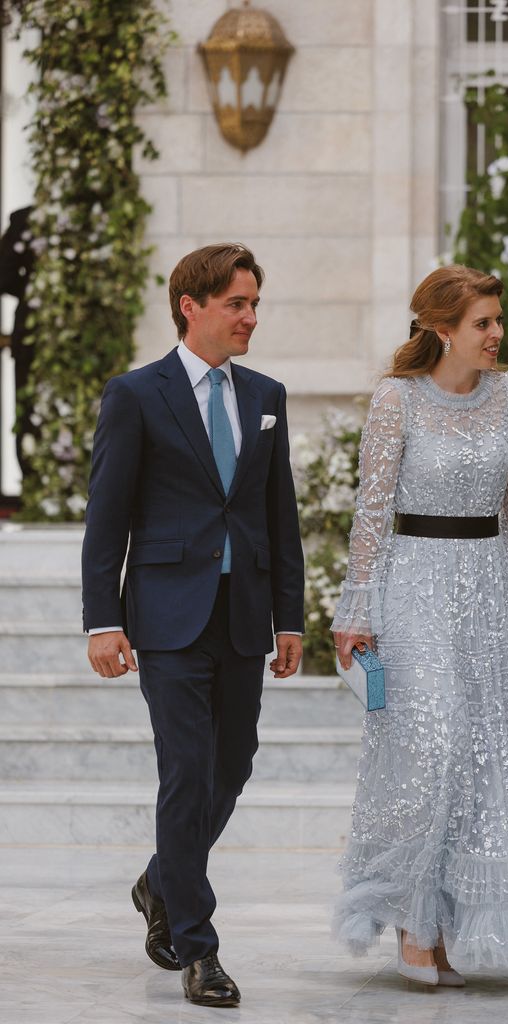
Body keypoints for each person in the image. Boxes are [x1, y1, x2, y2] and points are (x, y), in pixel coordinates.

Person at [332, 264, 508, 985]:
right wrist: (356, 610)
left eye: (499, 320)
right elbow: (371, 512)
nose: (497, 334)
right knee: (430, 748)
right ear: (441, 330)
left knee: (480, 758)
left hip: (489, 589)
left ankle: (448, 928)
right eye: (483, 323)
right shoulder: (395, 400)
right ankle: (411, 919)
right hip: (415, 587)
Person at [81, 243, 305, 1008]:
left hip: (243, 616)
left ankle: (159, 877)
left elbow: (282, 520)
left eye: (254, 305)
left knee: (232, 764)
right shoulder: (136, 394)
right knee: (186, 769)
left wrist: (291, 618)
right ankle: (198, 947)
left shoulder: (267, 394)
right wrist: (101, 621)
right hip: (167, 618)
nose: (250, 318)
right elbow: (105, 519)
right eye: (237, 304)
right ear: (191, 306)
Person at [0, 205, 36, 478]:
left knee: (28, 412)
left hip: (31, 332)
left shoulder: (26, 219)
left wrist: (30, 287)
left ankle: (34, 482)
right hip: (30, 340)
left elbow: (5, 276)